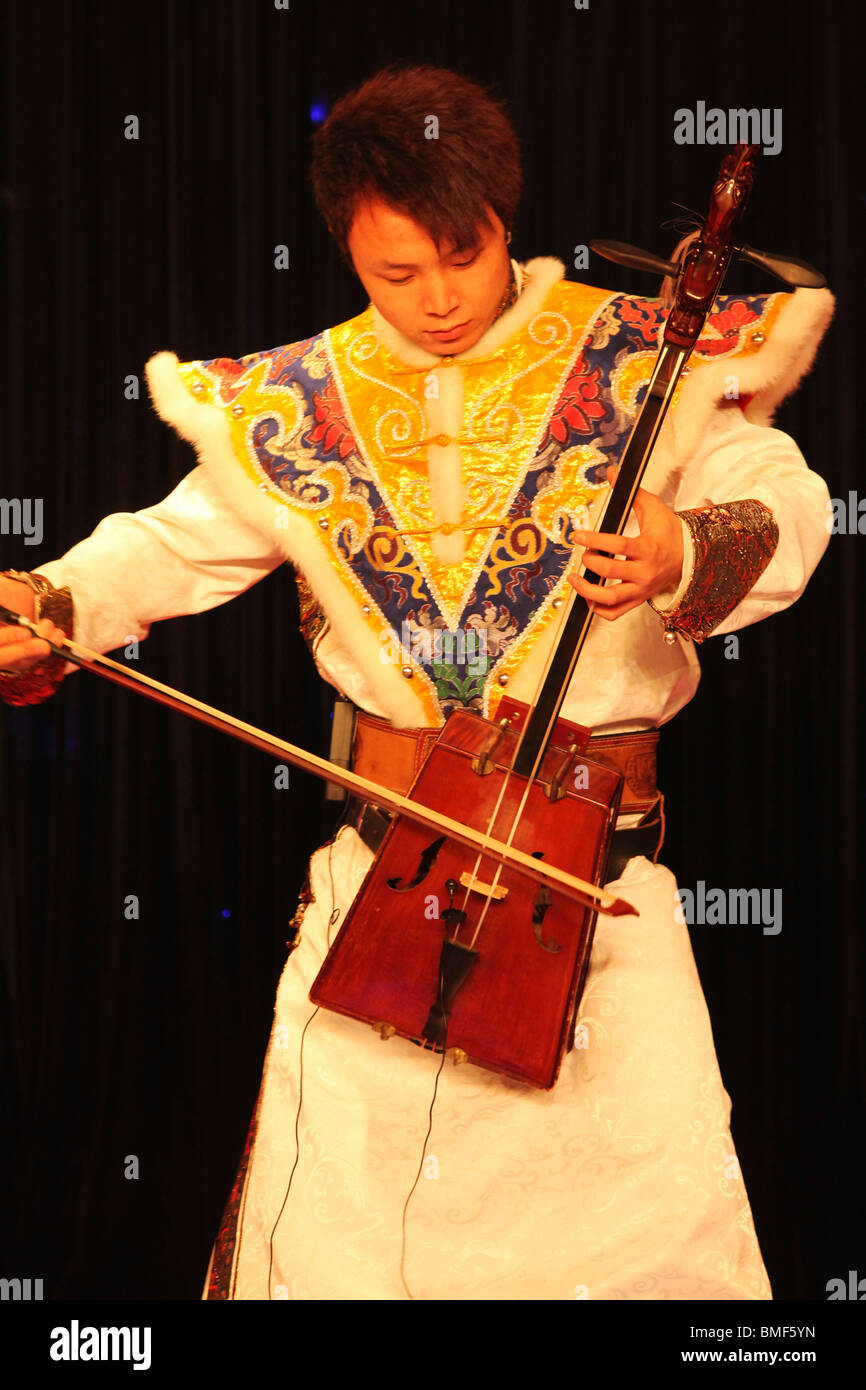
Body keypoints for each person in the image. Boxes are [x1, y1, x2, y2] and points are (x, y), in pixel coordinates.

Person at [0, 65, 834, 1300]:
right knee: (347, 1256)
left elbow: (788, 500)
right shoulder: (301, 394)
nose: (437, 300)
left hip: (589, 893)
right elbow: (170, 543)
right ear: (346, 246)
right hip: (389, 892)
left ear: (505, 216)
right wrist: (53, 602)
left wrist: (680, 545)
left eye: (463, 257)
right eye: (397, 274)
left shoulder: (635, 349)